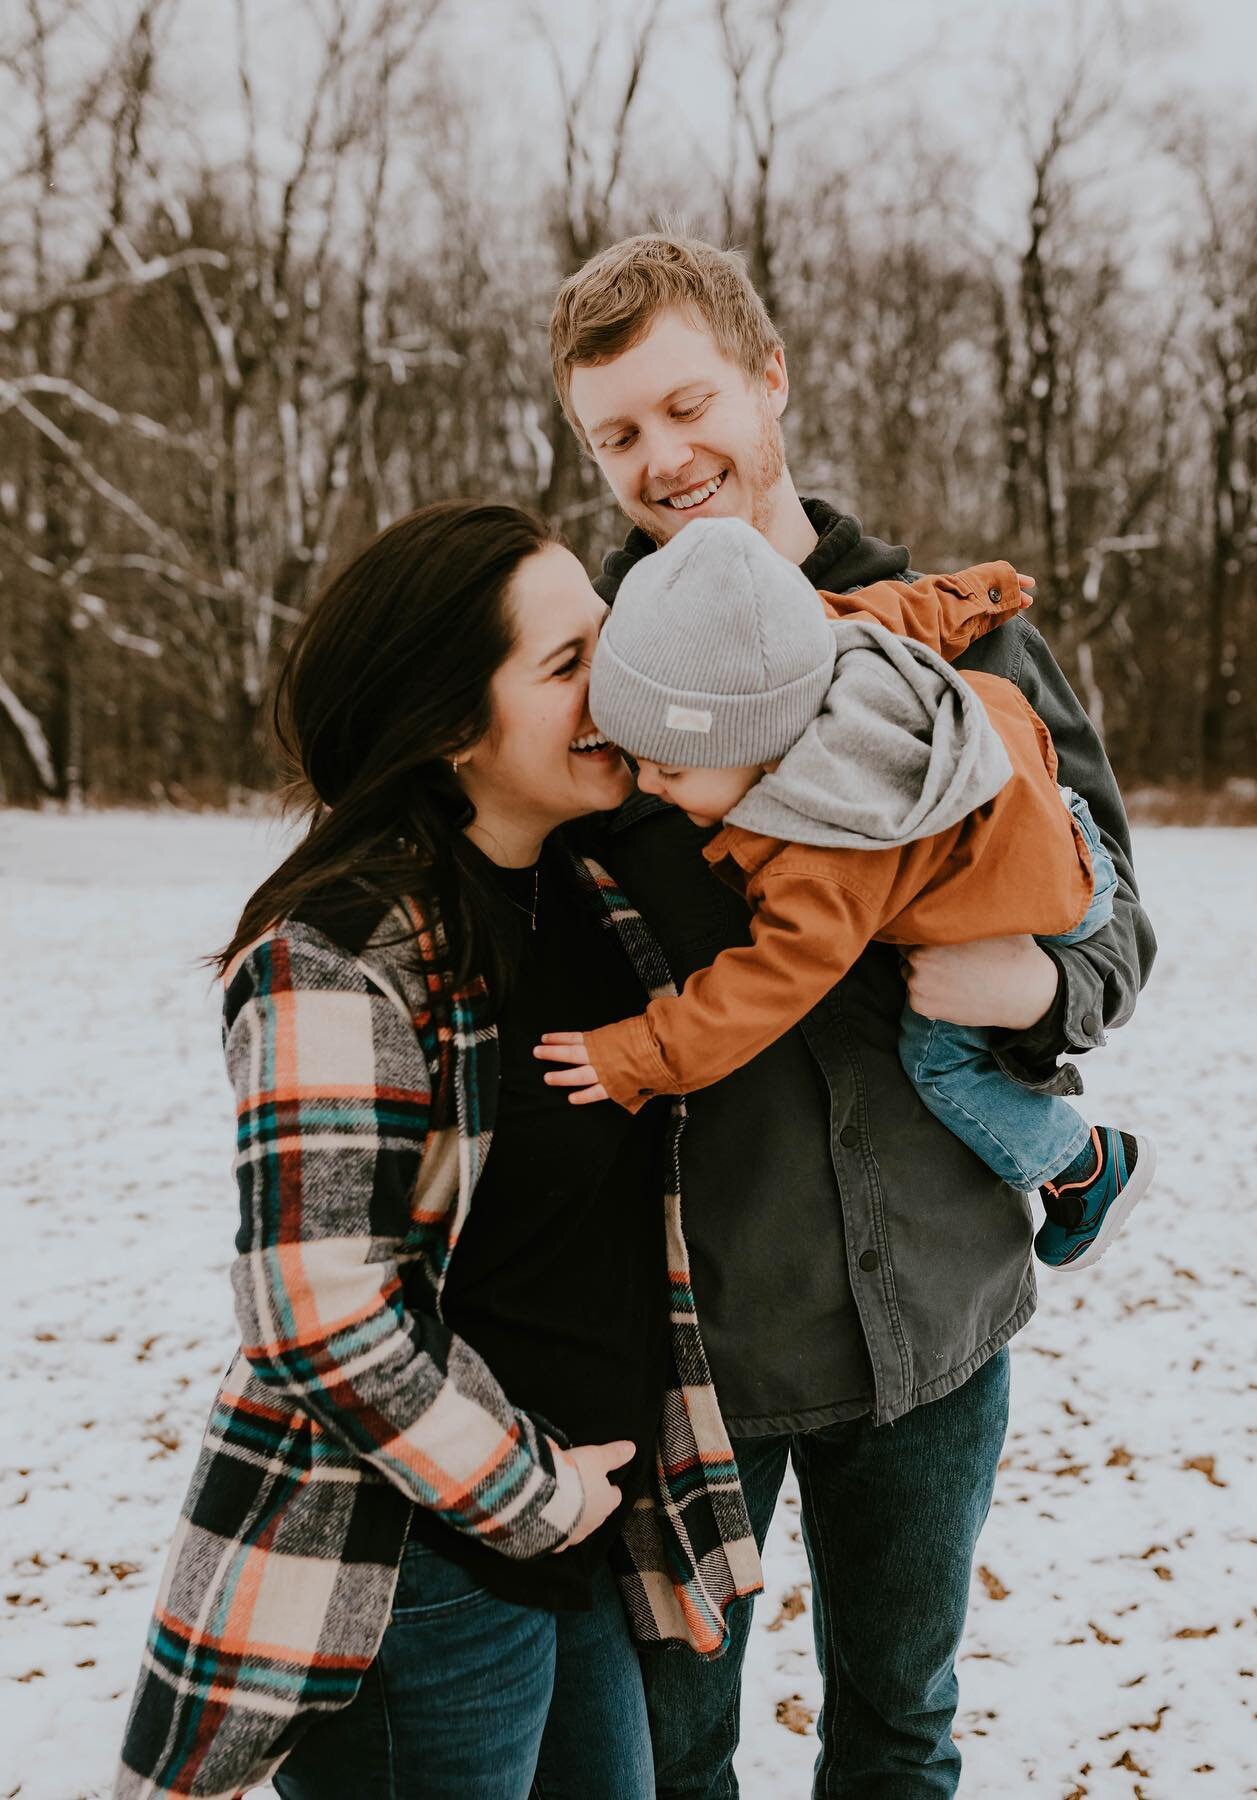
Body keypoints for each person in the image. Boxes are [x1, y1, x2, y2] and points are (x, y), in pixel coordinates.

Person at [548, 233, 1158, 1795]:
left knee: (900, 1731)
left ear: (771, 377)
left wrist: (1032, 991)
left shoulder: (960, 647)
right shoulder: (602, 705)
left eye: (687, 406)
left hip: (934, 1329)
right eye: (618, 434)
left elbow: (1115, 924)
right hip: (693, 1351)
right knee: (672, 1756)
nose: (663, 459)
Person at [113, 501, 760, 1800]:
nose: (614, 685)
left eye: (609, 643)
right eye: (566, 663)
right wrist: (538, 1497)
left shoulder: (598, 891)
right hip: (413, 1575)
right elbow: (320, 1314)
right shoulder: (336, 953)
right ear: (455, 725)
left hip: (578, 1539)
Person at [536, 517, 1156, 1272]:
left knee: (939, 1061)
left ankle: (1083, 1164)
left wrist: (637, 1054)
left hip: (1046, 885)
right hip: (1045, 803)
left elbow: (757, 993)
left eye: (671, 766)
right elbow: (905, 610)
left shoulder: (825, 853)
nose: (649, 785)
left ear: (747, 739)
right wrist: (980, 592)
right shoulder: (811, 643)